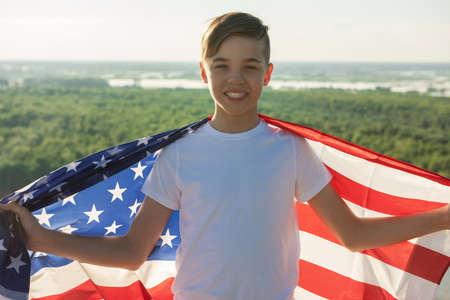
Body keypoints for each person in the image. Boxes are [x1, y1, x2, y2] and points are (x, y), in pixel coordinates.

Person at [1, 11, 449, 300]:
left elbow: (351, 234)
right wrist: (44, 240)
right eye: (222, 65)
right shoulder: (179, 157)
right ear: (204, 72)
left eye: (250, 66)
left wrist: (444, 217)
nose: (236, 78)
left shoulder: (291, 152)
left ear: (267, 74)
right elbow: (134, 251)